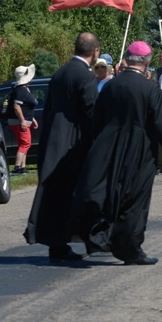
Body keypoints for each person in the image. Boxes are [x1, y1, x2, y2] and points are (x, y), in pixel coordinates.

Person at [72, 41, 162, 265]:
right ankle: (130, 248)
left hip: (109, 146)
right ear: (148, 62)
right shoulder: (149, 88)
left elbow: (97, 118)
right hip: (139, 149)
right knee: (135, 199)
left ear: (128, 61)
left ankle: (103, 239)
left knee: (113, 193)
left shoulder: (111, 85)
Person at [23, 32, 100, 263]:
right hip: (73, 143)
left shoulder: (60, 72)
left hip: (52, 139)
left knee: (55, 194)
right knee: (73, 193)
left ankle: (57, 243)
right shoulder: (86, 77)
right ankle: (85, 239)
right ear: (95, 51)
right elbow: (91, 113)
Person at [8, 64, 39, 175]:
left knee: (23, 144)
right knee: (26, 143)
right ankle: (17, 167)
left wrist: (32, 118)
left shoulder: (23, 88)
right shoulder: (21, 90)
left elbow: (26, 107)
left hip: (24, 120)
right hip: (20, 122)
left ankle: (22, 167)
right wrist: (22, 121)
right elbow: (17, 106)